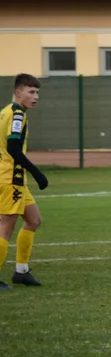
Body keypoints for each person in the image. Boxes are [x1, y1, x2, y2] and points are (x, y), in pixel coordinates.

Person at [0, 74, 49, 289]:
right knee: (6, 226)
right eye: (31, 92)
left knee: (34, 220)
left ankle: (21, 271)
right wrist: (37, 172)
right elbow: (13, 147)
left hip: (15, 178)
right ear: (18, 92)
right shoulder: (17, 114)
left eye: (37, 92)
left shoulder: (5, 112)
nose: (35, 96)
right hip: (11, 178)